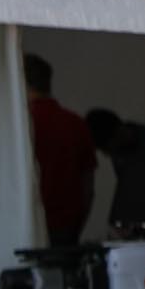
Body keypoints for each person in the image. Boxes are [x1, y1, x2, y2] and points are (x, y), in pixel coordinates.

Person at [25, 55, 97, 246]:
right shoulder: (75, 124)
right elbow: (88, 187)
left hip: (26, 223)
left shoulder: (20, 125)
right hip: (66, 226)